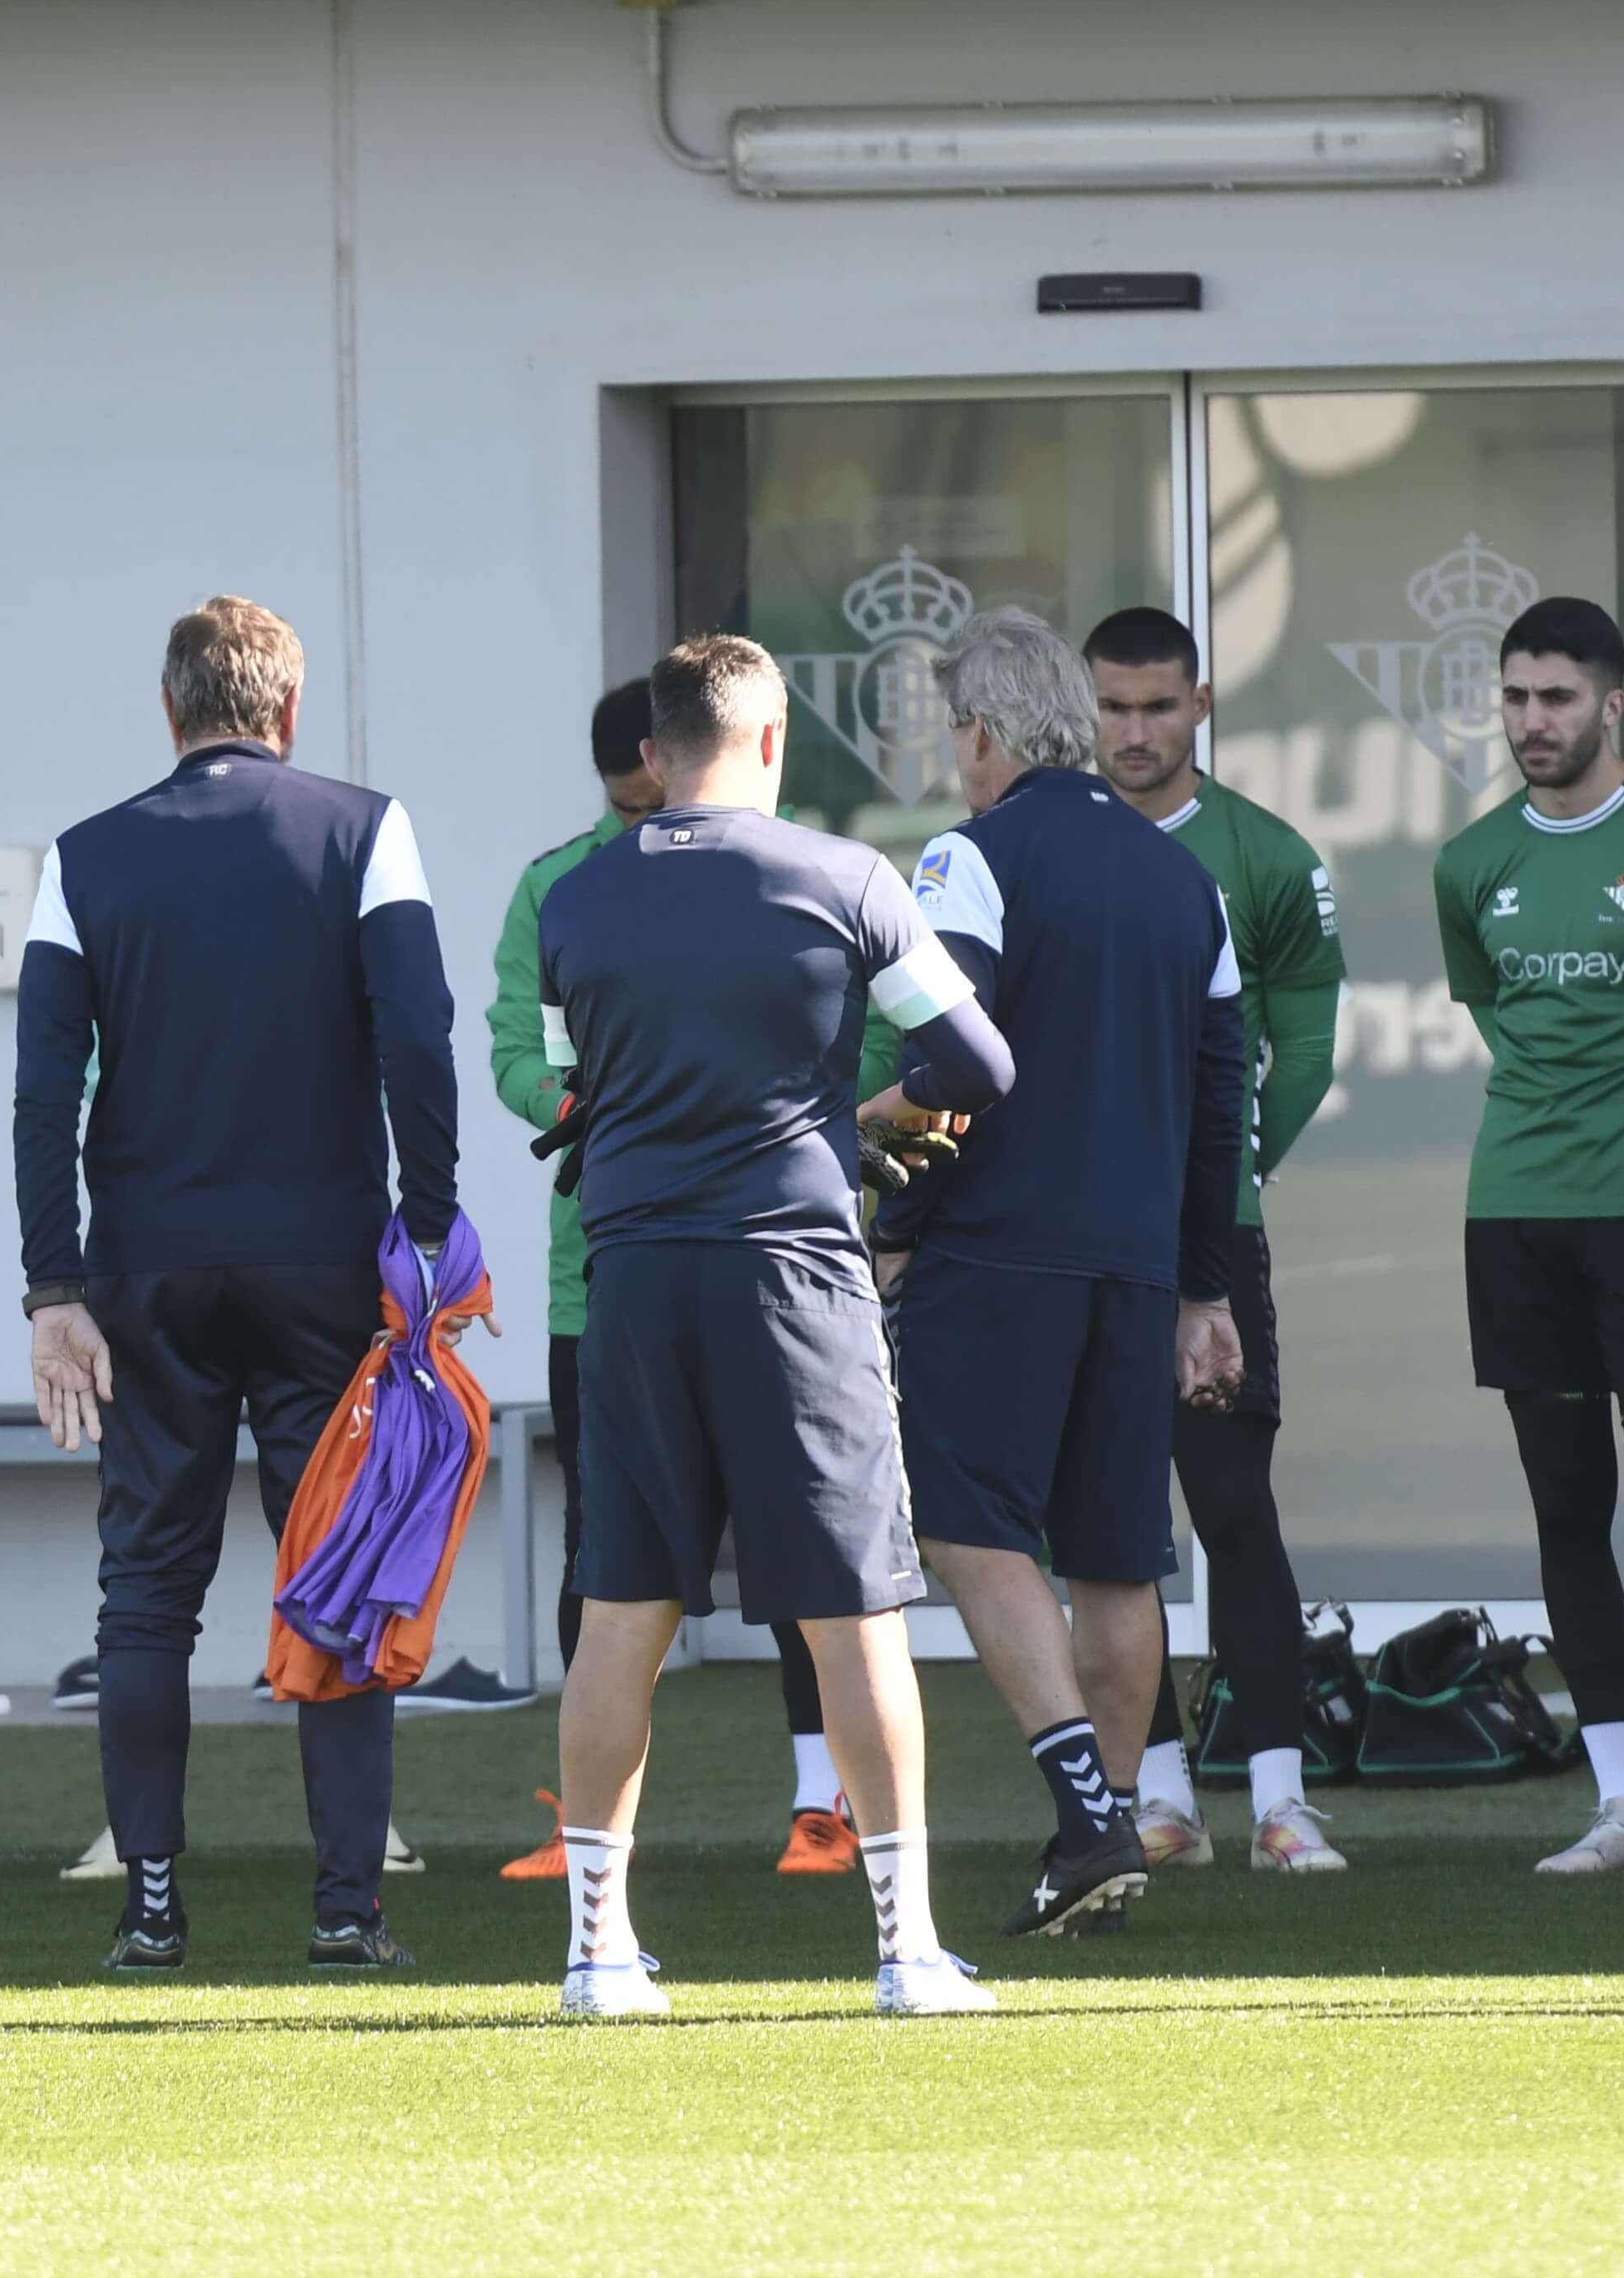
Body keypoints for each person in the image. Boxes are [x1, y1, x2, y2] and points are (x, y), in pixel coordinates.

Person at [533, 634, 1016, 2020]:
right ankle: (906, 1950)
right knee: (853, 1612)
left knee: (622, 1608)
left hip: (630, 1276)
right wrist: (866, 1119)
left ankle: (597, 1953)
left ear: (649, 754)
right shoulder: (847, 878)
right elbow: (980, 1058)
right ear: (771, 742)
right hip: (795, 1275)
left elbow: (574, 1097)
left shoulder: (573, 901)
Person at [17, 596, 458, 1972]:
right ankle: (344, 1907)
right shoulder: (364, 827)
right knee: (337, 1571)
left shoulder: (84, 854)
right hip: (323, 1261)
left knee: (147, 1585)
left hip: (147, 1266)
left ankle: (150, 1901)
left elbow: (41, 1097)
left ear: (170, 710)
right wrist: (428, 1225)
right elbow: (421, 1043)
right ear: (287, 710)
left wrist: (53, 1282)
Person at [882, 611, 1247, 1943]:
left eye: (956, 737)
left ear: (981, 733)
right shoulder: (1180, 879)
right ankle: (1116, 1838)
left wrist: (880, 1192)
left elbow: (945, 1068)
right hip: (1138, 1259)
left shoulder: (968, 856)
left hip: (1002, 1247)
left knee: (970, 1523)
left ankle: (1089, 1813)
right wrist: (1203, 1288)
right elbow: (1224, 1103)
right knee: (1113, 1551)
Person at [486, 681, 846, 1882]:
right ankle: (579, 1832)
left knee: (809, 1555)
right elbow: (516, 1054)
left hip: (767, 1261)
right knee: (608, 1560)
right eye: (637, 804)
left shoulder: (786, 870)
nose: (661, 819)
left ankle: (821, 1808)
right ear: (627, 773)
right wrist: (588, 1107)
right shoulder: (563, 888)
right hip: (608, 1276)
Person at [1431, 595, 1624, 1877]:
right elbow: (1502, 1023)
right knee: (1567, 1508)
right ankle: (1620, 1801)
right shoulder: (1472, 863)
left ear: (1613, 704)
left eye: (1557, 697)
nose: (1532, 722)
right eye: (1515, 697)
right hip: (1516, 1214)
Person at [1083, 606, 1351, 1874]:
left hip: (1210, 1238)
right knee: (1107, 1517)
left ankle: (1285, 1804)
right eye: (1113, 708)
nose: (1134, 732)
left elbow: (1303, 1055)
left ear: (1200, 704)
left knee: (1234, 1505)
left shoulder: (1267, 854)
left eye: (1156, 706)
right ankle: (1160, 1796)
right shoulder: (1045, 846)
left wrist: (1225, 1181)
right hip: (1074, 1238)